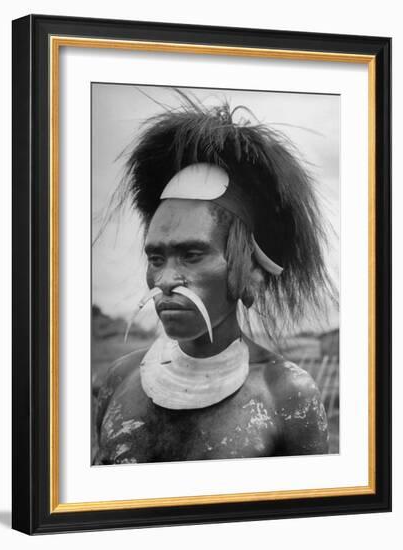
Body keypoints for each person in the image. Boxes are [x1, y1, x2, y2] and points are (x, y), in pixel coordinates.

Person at [93, 93, 333, 465]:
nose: (167, 280)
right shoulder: (118, 379)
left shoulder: (287, 396)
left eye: (192, 255)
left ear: (246, 269)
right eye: (156, 257)